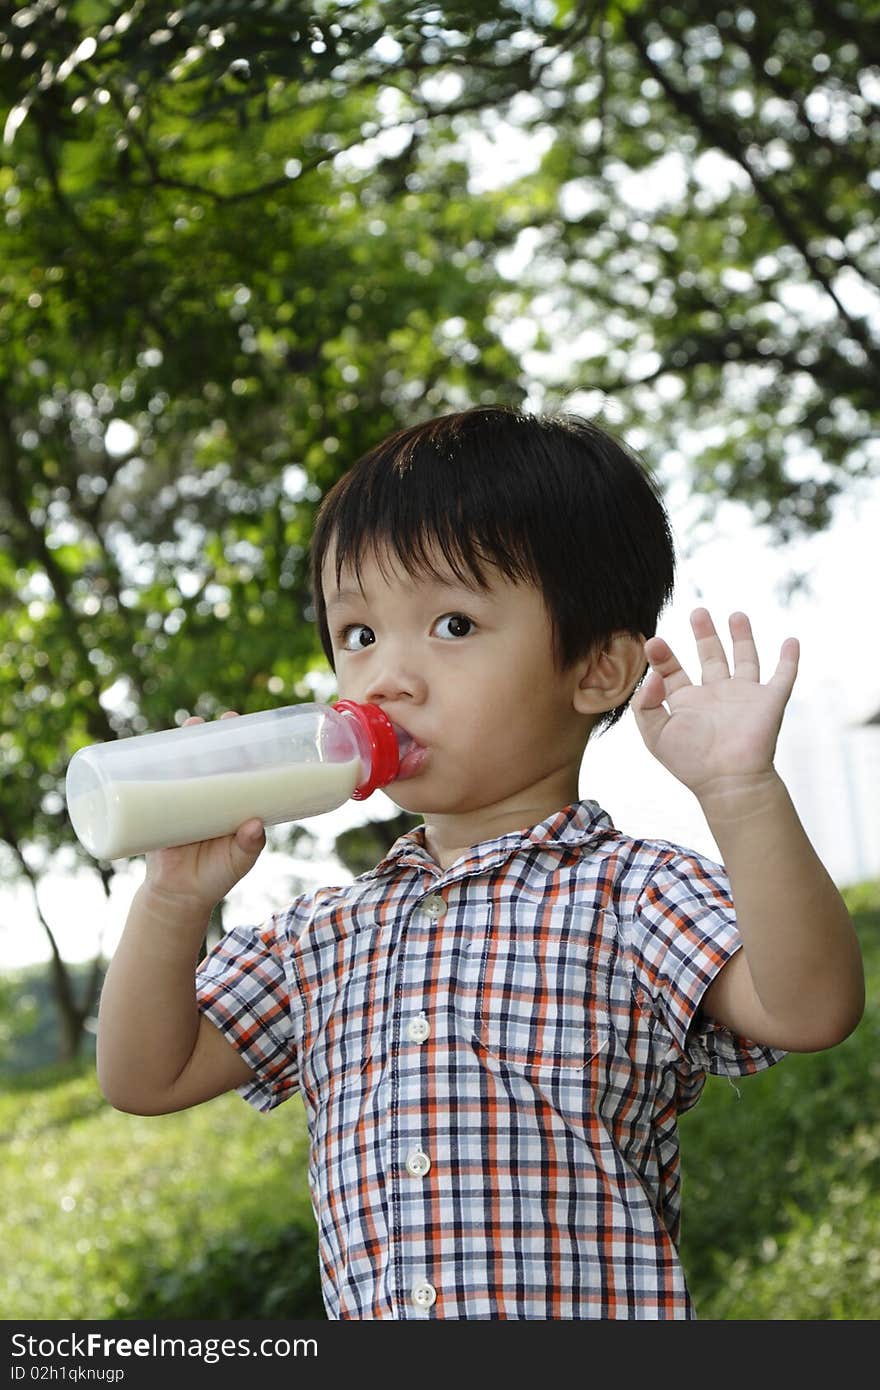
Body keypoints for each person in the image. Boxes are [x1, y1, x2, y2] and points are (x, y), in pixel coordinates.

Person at [96, 405, 865, 1320]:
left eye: (453, 625)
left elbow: (810, 1007)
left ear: (596, 671)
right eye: (358, 635)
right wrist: (174, 899)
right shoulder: (323, 936)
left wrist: (740, 793)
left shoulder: (634, 894)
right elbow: (146, 1076)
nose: (386, 679)